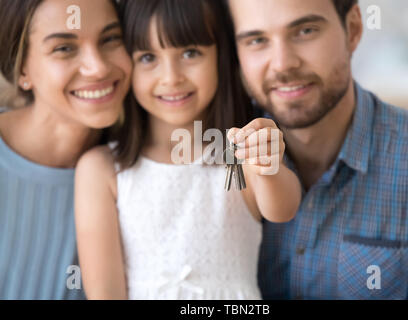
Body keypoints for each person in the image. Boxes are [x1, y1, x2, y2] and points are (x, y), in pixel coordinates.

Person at [74, 0, 301, 300]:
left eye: (190, 53)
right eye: (147, 58)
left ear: (222, 56)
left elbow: (282, 209)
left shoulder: (235, 152)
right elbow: (105, 293)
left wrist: (268, 166)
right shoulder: (102, 169)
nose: (171, 77)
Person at [224, 0, 408, 299]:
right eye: (257, 40)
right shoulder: (215, 152)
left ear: (353, 28)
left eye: (305, 30)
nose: (282, 63)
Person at [0, 0, 131, 299]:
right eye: (64, 48)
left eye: (110, 39)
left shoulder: (138, 168)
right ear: (22, 69)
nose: (97, 67)